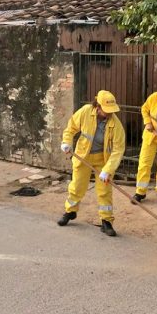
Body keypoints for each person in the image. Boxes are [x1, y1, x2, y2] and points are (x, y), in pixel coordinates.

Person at [58, 90, 125, 237]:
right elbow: (70, 129)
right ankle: (70, 212)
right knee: (77, 186)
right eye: (106, 110)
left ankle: (106, 221)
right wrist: (66, 142)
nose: (109, 114)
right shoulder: (85, 112)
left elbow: (118, 150)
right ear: (98, 106)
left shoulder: (116, 125)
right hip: (83, 156)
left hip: (103, 160)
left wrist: (108, 170)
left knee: (104, 191)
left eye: (111, 111)